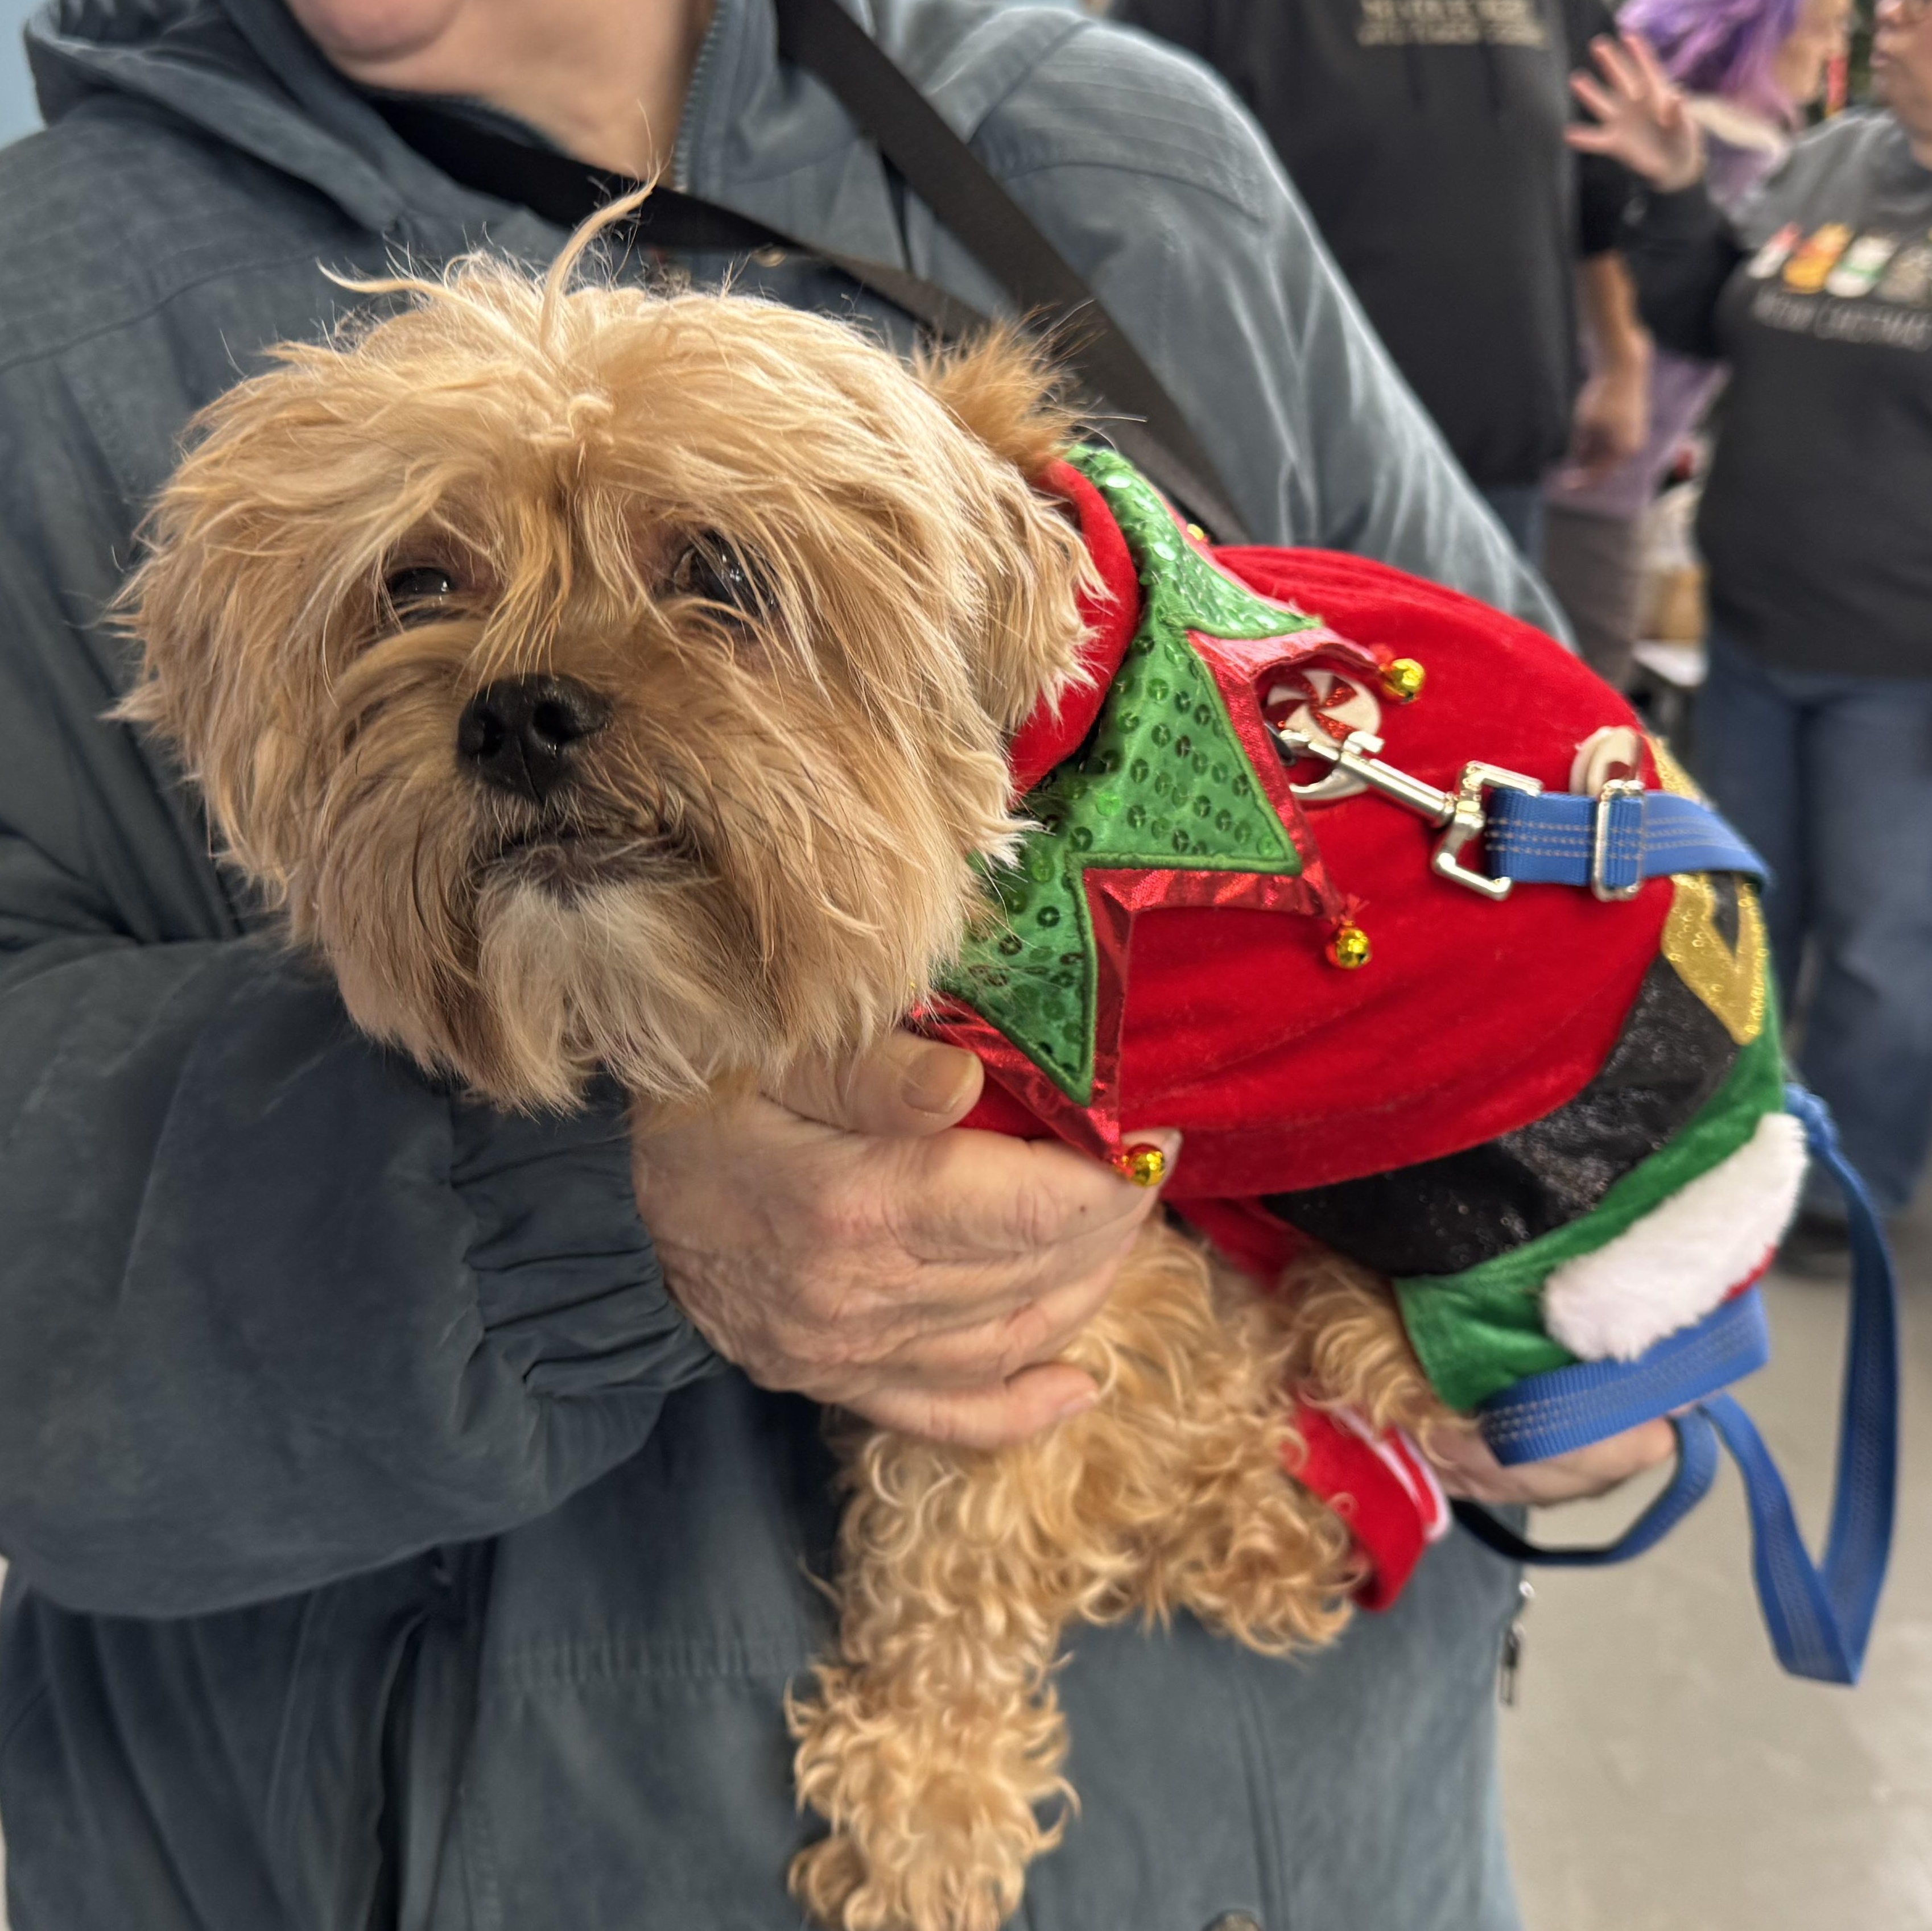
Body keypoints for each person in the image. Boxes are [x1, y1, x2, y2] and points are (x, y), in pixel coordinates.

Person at [0, 1, 1673, 1925]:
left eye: (708, 578)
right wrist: (573, 1202)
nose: (533, 680)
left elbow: (1563, 820)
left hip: (1305, 1834)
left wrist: (1608, 1234)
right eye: (417, 587)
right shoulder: (35, 323)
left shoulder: (1127, 161)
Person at [1572, 9, 1932, 1260]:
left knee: (1890, 942)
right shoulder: (1838, 158)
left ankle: (1844, 1198)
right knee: (1738, 919)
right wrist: (1672, 192)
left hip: (1902, 664)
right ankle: (1737, 1154)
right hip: (1757, 630)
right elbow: (1710, 313)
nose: (1892, 22)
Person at [1108, 0, 1649, 564]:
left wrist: (1621, 358)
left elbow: (1597, 189)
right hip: (1296, 482)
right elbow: (1133, 199)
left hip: (1498, 469)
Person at [1543, 0, 1853, 687]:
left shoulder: (1615, 122)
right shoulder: (1754, 167)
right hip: (1600, 475)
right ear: (1759, 34)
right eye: (1826, 23)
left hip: (1537, 445)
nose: (1837, 45)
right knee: (1584, 720)